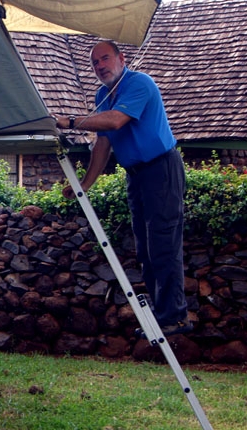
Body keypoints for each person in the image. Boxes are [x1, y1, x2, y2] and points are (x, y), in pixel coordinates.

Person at [55, 40, 191, 336]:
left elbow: (115, 122)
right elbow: (103, 142)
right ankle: (161, 317)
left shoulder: (139, 83)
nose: (100, 66)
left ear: (121, 58)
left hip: (161, 169)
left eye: (105, 59)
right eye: (95, 63)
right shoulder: (103, 94)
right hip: (136, 174)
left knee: (163, 245)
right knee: (145, 248)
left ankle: (175, 319)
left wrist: (70, 122)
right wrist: (84, 185)